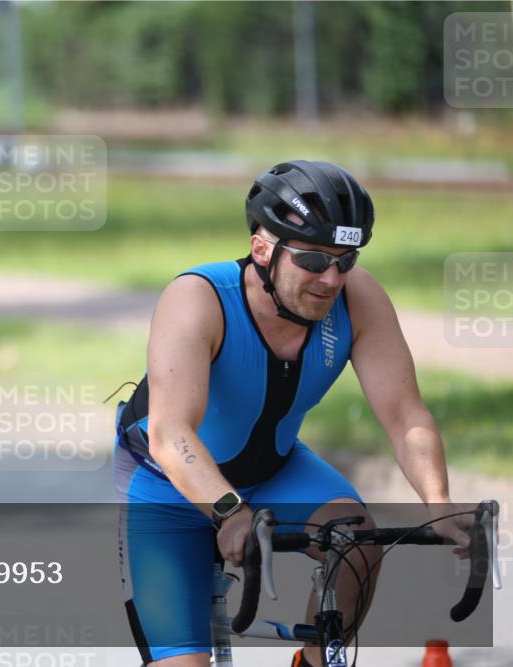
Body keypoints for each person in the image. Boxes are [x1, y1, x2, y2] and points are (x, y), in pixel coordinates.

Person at [113, 160, 471, 667]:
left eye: (345, 260)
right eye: (312, 259)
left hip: (273, 471)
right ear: (263, 249)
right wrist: (229, 511)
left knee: (356, 544)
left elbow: (405, 415)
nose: (331, 279)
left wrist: (438, 503)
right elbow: (171, 433)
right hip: (167, 485)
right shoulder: (198, 299)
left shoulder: (358, 298)